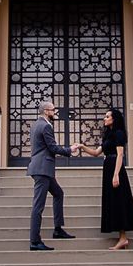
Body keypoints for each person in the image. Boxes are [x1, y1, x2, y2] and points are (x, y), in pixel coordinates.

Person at [79, 107, 133, 250]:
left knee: (124, 202)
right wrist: (81, 146)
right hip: (108, 169)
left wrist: (116, 174)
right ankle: (123, 238)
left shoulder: (119, 133)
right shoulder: (108, 135)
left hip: (116, 169)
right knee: (115, 203)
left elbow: (120, 155)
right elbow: (96, 153)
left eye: (107, 116)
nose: (104, 118)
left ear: (114, 119)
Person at [26, 101, 80, 251]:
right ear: (46, 111)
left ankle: (57, 229)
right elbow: (52, 147)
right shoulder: (45, 126)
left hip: (43, 168)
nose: (55, 112)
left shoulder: (36, 124)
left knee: (58, 193)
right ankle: (35, 241)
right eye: (53, 110)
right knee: (38, 206)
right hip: (42, 169)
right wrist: (70, 150)